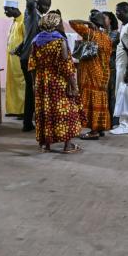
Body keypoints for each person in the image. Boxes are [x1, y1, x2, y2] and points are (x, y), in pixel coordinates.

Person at [28, 12, 84, 153]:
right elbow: (66, 66)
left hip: (42, 82)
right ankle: (67, 145)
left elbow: (32, 65)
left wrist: (34, 83)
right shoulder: (59, 41)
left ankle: (45, 145)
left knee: (45, 111)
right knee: (65, 112)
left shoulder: (36, 41)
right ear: (54, 24)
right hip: (58, 82)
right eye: (59, 22)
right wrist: (73, 84)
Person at [69, 13, 112, 140]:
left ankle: (93, 132)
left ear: (93, 22)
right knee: (101, 101)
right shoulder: (106, 37)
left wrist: (87, 23)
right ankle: (99, 128)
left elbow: (72, 21)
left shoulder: (90, 33)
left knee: (92, 102)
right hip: (103, 73)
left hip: (91, 73)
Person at [19, 0, 51, 132]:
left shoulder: (38, 17)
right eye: (45, 6)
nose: (47, 9)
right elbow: (29, 0)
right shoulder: (32, 14)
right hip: (29, 58)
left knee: (32, 90)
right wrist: (34, 3)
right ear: (39, 4)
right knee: (31, 91)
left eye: (48, 7)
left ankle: (29, 121)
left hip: (30, 57)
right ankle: (27, 123)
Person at [110, 2, 128, 135]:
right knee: (123, 93)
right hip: (121, 64)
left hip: (125, 66)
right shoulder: (125, 25)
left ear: (126, 11)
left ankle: (124, 124)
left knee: (122, 94)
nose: (117, 14)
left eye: (119, 11)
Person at [3, 0, 25, 117]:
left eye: (7, 9)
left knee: (20, 84)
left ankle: (22, 111)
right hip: (11, 59)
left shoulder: (23, 21)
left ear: (14, 9)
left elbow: (26, 41)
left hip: (19, 58)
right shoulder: (14, 22)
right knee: (12, 84)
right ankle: (14, 109)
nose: (5, 12)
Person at [103, 11, 120, 126]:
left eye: (104, 18)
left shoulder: (115, 33)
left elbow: (106, 45)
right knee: (104, 94)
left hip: (111, 67)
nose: (102, 20)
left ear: (110, 20)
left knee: (112, 94)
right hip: (102, 68)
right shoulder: (101, 32)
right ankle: (105, 120)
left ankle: (114, 121)